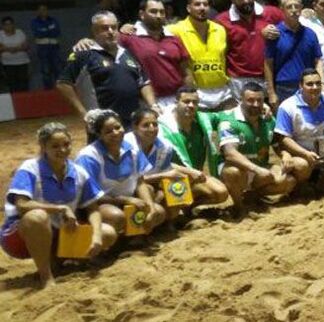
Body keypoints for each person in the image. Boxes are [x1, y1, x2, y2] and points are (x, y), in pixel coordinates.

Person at [2, 123, 117, 288]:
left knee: (108, 233)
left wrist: (97, 236)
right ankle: (46, 276)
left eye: (66, 144)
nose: (62, 150)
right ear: (43, 147)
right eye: (55, 146)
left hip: (60, 233)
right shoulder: (30, 168)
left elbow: (93, 208)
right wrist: (60, 208)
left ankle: (58, 260)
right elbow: (22, 204)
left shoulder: (79, 172)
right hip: (20, 236)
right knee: (37, 217)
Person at [57, 11, 155, 129]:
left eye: (114, 27)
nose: (110, 31)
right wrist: (83, 114)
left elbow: (143, 82)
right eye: (104, 28)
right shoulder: (84, 54)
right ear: (94, 30)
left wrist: (152, 104)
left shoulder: (128, 53)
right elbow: (63, 84)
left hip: (133, 124)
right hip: (102, 126)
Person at [124, 108, 228, 218]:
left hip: (154, 183)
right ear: (135, 127)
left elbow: (166, 166)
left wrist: (189, 172)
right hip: (126, 190)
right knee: (150, 189)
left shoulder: (164, 145)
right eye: (146, 125)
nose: (152, 129)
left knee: (176, 185)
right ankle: (142, 228)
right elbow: (129, 180)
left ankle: (174, 218)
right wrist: (165, 176)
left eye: (155, 124)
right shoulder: (126, 145)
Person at [214, 83, 298, 216]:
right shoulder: (229, 120)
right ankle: (238, 206)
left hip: (261, 167)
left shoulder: (268, 120)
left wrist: (285, 155)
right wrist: (256, 169)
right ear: (241, 99)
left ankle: (252, 196)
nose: (255, 104)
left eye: (259, 100)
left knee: (289, 181)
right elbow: (230, 154)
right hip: (237, 170)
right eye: (250, 100)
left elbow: (277, 144)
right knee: (233, 172)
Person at [75, 110, 165, 236]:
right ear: (99, 135)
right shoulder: (88, 157)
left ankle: (132, 237)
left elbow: (140, 181)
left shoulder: (132, 149)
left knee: (158, 212)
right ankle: (113, 243)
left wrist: (150, 207)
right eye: (108, 131)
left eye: (118, 127)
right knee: (117, 217)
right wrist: (125, 200)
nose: (116, 133)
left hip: (127, 201)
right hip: (97, 205)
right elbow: (89, 196)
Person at [274, 69, 324, 193]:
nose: (315, 87)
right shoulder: (287, 107)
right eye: (309, 84)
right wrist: (305, 154)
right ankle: (301, 188)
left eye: (318, 83)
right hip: (302, 155)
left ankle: (323, 181)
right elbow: (284, 138)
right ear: (301, 86)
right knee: (301, 166)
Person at [115, 0, 190, 112]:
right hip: (147, 103)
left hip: (177, 99)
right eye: (153, 11)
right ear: (142, 14)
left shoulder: (174, 38)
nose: (158, 15)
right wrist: (85, 41)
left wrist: (189, 95)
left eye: (162, 12)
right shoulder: (128, 37)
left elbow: (186, 71)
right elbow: (106, 45)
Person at [214, 0, 286, 101]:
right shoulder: (221, 20)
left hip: (267, 77)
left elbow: (292, 26)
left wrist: (306, 14)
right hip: (237, 80)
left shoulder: (272, 13)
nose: (246, 1)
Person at [169, 0, 233, 110]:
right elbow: (152, 32)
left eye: (205, 4)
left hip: (222, 91)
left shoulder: (220, 29)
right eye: (197, 4)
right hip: (197, 92)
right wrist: (129, 28)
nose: (202, 8)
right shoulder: (176, 30)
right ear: (188, 8)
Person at [265, 0, 323, 106]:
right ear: (281, 9)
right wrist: (271, 93)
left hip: (309, 87)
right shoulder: (274, 34)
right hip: (284, 89)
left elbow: (318, 60)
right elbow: (268, 64)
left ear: (301, 7)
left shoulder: (310, 33)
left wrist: (321, 83)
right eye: (289, 6)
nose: (294, 10)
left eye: (297, 6)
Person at [31, 4, 61, 89]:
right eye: (41, 10)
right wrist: (49, 30)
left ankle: (61, 88)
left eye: (44, 9)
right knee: (45, 69)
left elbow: (57, 32)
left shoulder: (53, 20)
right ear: (37, 11)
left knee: (57, 68)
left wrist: (44, 30)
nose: (43, 11)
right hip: (42, 48)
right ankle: (48, 89)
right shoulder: (34, 22)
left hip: (54, 47)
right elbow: (38, 34)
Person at [0, 16, 30, 92]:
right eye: (6, 24)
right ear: (3, 26)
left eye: (10, 24)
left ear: (13, 24)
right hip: (8, 63)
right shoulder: (0, 34)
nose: (8, 26)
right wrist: (15, 48)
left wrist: (10, 48)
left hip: (22, 62)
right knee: (12, 85)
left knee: (23, 84)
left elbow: (26, 46)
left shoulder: (20, 32)